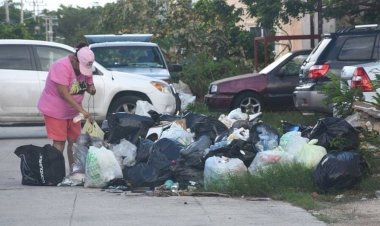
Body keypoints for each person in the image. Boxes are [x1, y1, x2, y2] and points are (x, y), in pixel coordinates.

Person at [38, 42, 96, 172]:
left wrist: (91, 89)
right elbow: (64, 93)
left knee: (75, 141)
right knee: (59, 142)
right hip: (55, 110)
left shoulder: (86, 66)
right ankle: (55, 173)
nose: (83, 71)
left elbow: (89, 84)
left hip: (73, 111)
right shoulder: (61, 66)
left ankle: (75, 172)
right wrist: (82, 111)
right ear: (75, 59)